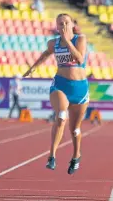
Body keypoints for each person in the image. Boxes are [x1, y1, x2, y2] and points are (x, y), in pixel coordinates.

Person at [23, 13, 89, 175]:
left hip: (80, 89)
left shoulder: (80, 39)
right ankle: (51, 156)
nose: (63, 26)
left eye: (66, 23)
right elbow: (46, 53)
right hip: (60, 84)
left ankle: (76, 155)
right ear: (57, 26)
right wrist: (33, 68)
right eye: (60, 24)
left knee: (75, 129)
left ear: (72, 23)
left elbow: (80, 59)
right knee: (60, 116)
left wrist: (67, 41)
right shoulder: (53, 43)